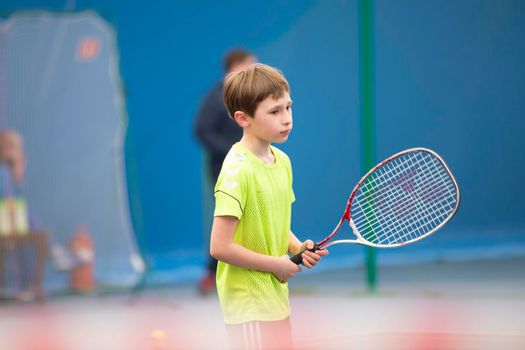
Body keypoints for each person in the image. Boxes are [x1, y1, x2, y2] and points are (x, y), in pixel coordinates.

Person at [210, 64, 329, 349]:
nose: (286, 119)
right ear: (243, 118)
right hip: (248, 306)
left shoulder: (283, 162)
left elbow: (273, 222)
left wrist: (297, 248)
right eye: (274, 112)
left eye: (288, 108)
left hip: (276, 301)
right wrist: (277, 264)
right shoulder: (237, 172)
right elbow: (220, 247)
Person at [194, 48, 256, 294]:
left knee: (250, 218)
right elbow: (202, 129)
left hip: (251, 166)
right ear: (235, 66)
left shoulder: (250, 95)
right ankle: (212, 275)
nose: (254, 69)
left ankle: (249, 274)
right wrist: (231, 153)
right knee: (230, 220)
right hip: (223, 169)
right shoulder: (217, 95)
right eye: (250, 64)